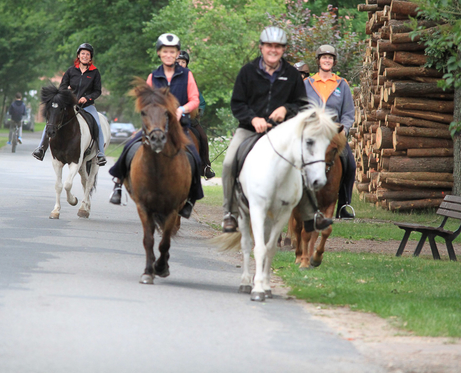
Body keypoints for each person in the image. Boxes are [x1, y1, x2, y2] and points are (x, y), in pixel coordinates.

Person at [221, 26, 333, 234]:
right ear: (262, 47)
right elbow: (237, 103)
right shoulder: (247, 71)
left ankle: (312, 214)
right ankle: (230, 213)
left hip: (282, 131)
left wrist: (286, 109)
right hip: (250, 129)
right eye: (269, 46)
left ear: (283, 49)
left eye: (278, 47)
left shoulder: (291, 74)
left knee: (303, 159)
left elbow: (301, 105)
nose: (273, 50)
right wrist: (253, 119)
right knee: (228, 163)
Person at [108, 33, 203, 218]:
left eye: (172, 52)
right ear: (159, 53)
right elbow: (146, 99)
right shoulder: (154, 75)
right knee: (129, 146)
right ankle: (118, 184)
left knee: (195, 158)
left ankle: (191, 198)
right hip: (155, 125)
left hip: (177, 126)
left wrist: (181, 109)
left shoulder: (187, 75)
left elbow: (195, 100)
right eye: (165, 51)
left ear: (177, 54)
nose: (169, 55)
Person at [32, 43, 107, 166]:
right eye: (83, 53)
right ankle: (41, 148)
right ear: (78, 55)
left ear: (90, 57)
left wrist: (87, 98)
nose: (85, 56)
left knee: (97, 124)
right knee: (51, 121)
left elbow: (97, 91)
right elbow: (61, 88)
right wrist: (67, 91)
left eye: (87, 54)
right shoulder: (71, 71)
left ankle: (100, 153)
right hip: (70, 106)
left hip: (87, 106)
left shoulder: (95, 73)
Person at [304, 44, 356, 219]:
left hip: (334, 133)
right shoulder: (307, 84)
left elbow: (348, 113)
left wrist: (344, 130)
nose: (327, 60)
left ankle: (343, 205)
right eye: (324, 57)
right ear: (318, 60)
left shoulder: (342, 84)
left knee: (349, 163)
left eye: (330, 58)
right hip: (312, 132)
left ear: (334, 62)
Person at [176, 50, 215, 179]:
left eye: (183, 62)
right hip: (169, 118)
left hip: (188, 118)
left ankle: (205, 166)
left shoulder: (189, 78)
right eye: (178, 62)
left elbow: (200, 100)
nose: (180, 64)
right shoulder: (166, 77)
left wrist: (198, 112)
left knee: (203, 137)